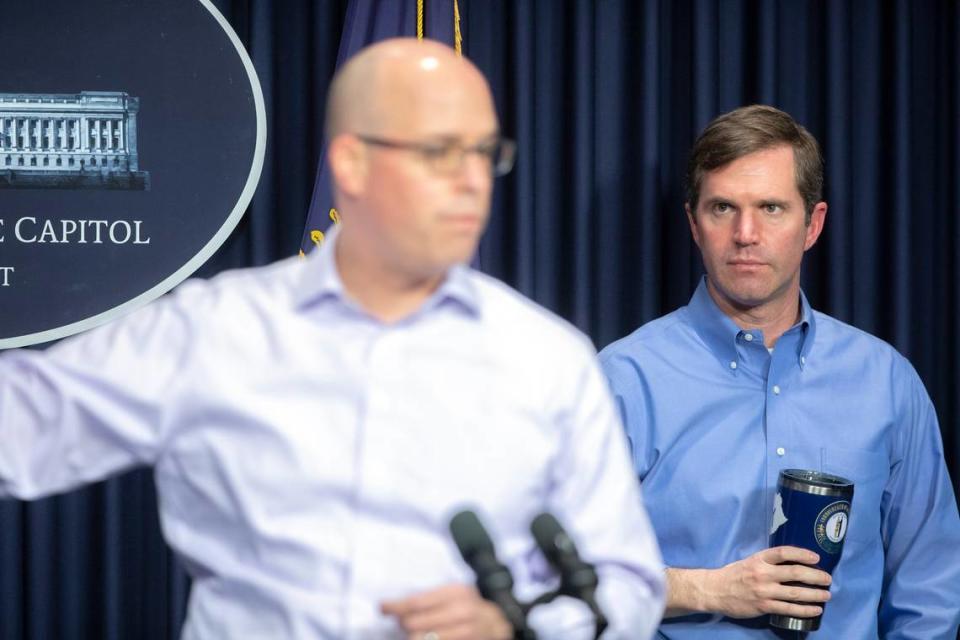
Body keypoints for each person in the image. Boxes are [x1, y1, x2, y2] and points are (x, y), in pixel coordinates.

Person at [0, 40, 665, 639]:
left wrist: (516, 625)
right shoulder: (213, 332)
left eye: (486, 153)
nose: (473, 181)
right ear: (351, 162)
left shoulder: (547, 356)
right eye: (440, 151)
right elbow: (20, 425)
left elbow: (630, 584)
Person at [600, 104, 960, 638]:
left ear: (812, 224)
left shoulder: (887, 383)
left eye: (771, 208)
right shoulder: (622, 380)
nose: (746, 233)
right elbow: (570, 579)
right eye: (723, 208)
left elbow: (928, 590)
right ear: (694, 224)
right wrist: (710, 589)